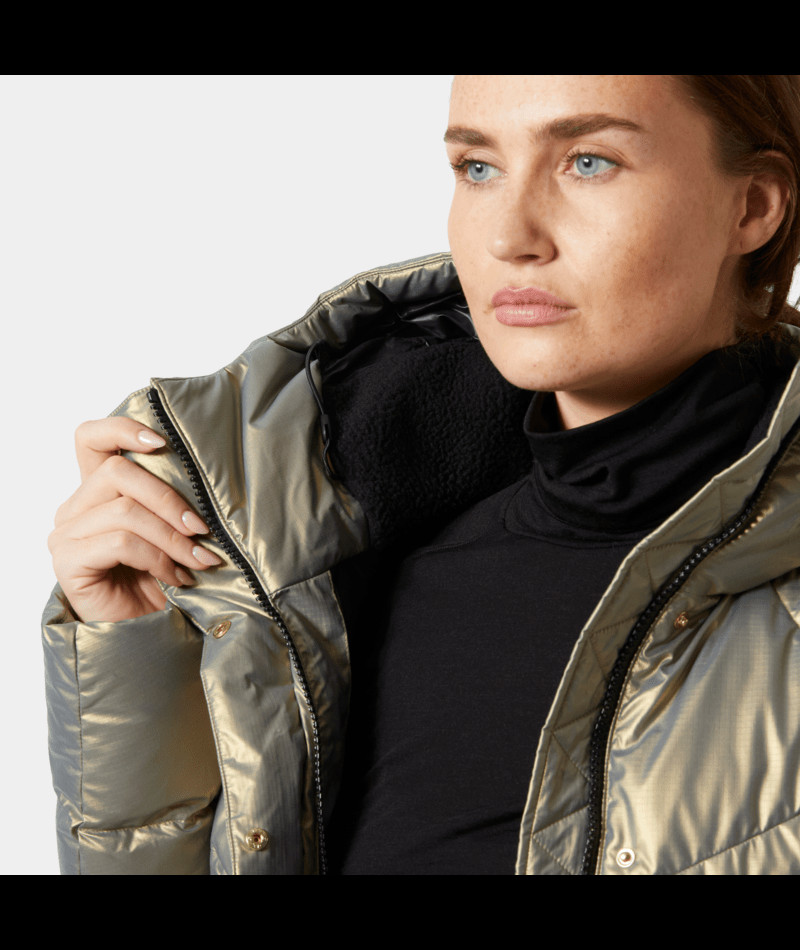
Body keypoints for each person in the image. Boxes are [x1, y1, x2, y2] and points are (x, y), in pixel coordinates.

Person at [43, 75, 800, 875]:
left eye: (588, 162)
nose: (510, 236)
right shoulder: (349, 581)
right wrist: (139, 656)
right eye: (478, 168)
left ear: (752, 207)